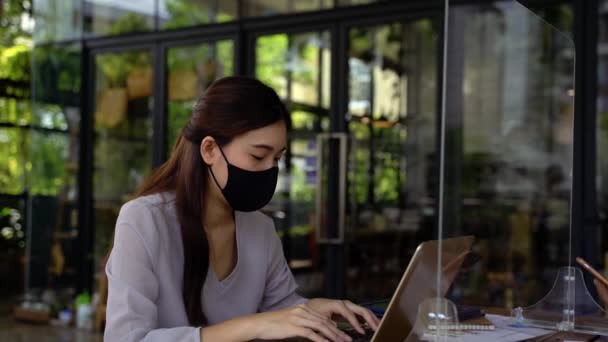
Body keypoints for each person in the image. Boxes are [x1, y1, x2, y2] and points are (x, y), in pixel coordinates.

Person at [104, 76, 380, 342]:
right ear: (210, 150)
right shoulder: (144, 221)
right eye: (258, 156)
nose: (269, 169)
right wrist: (252, 325)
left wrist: (313, 310)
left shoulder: (260, 228)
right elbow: (125, 338)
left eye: (277, 158)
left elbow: (281, 311)